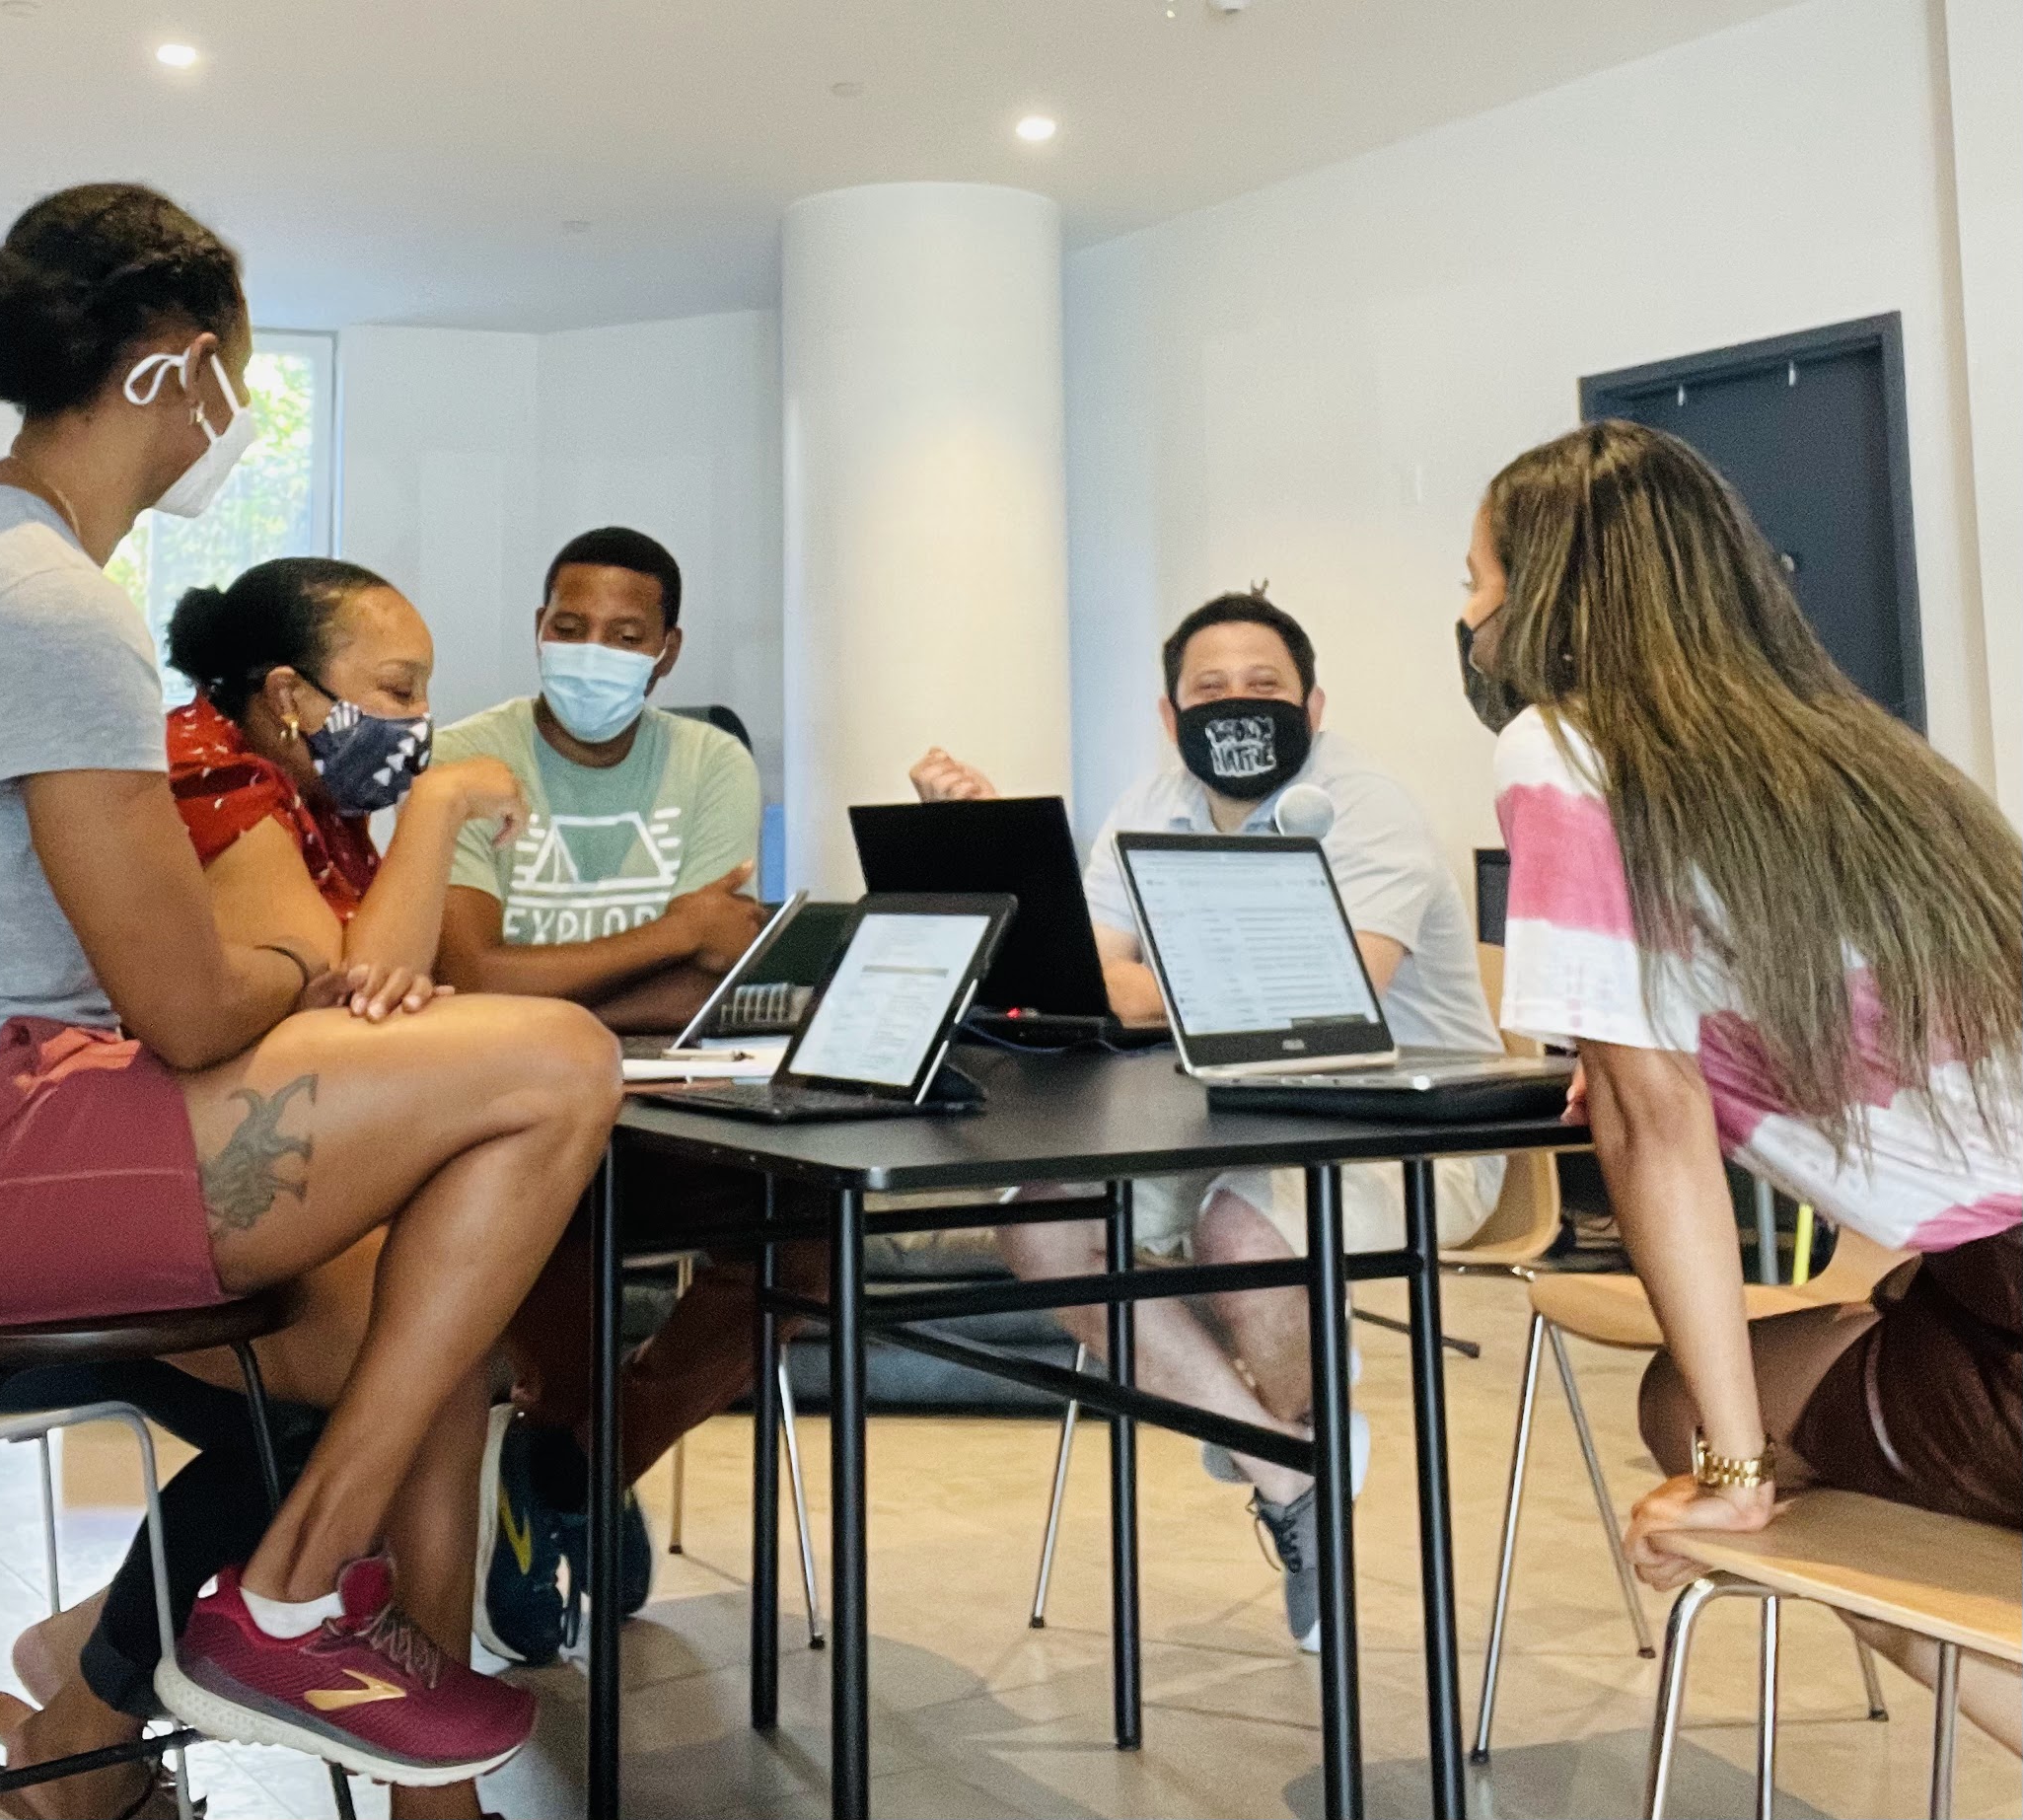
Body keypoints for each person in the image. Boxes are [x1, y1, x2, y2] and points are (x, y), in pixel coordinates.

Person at [0, 184, 620, 1816]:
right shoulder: (43, 601)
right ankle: (291, 1601)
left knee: (421, 1338)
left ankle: (102, 1754)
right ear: (171, 366)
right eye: (232, 370)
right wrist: (302, 968)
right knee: (553, 1064)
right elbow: (188, 1006)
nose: (237, 411)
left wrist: (280, 982)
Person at [1465, 418, 2019, 1751]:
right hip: (1976, 1285)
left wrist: (1728, 1476)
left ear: (1544, 596)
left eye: (1476, 581)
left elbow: (1650, 1128)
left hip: (1999, 1297)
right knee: (1729, 1399)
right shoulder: (1863, 758)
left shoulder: (1561, 748)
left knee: (1706, 1424)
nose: (1470, 617)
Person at [0, 555, 534, 1820]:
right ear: (289, 695)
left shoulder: (304, 801)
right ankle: (406, 1790)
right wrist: (440, 808)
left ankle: (86, 1705)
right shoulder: (211, 773)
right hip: (94, 1198)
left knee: (429, 1348)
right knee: (425, 1357)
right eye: (397, 688)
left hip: (191, 1182)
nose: (419, 721)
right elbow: (355, 1009)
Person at [909, 590, 1502, 1650]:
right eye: (1209, 689)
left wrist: (1145, 985)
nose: (1236, 704)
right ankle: (1291, 1470)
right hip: (1220, 1122)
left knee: (1241, 1228)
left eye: (1262, 685)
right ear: (1169, 713)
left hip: (1411, 1135)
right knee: (1042, 1221)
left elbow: (1327, 997)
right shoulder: (1152, 801)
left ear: (1312, 705)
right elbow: (1088, 976)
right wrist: (1015, 875)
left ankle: (1296, 1411)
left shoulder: (1367, 808)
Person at [434, 528, 829, 1665]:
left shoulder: (709, 763)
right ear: (537, 628)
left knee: (805, 1246)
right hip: (523, 1120)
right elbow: (472, 974)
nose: (592, 653)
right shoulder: (469, 759)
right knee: (554, 1306)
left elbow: (713, 986)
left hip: (680, 1112)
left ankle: (570, 1468)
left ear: (668, 650)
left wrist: (558, 976)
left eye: (623, 634)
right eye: (570, 628)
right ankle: (571, 1445)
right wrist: (669, 938)